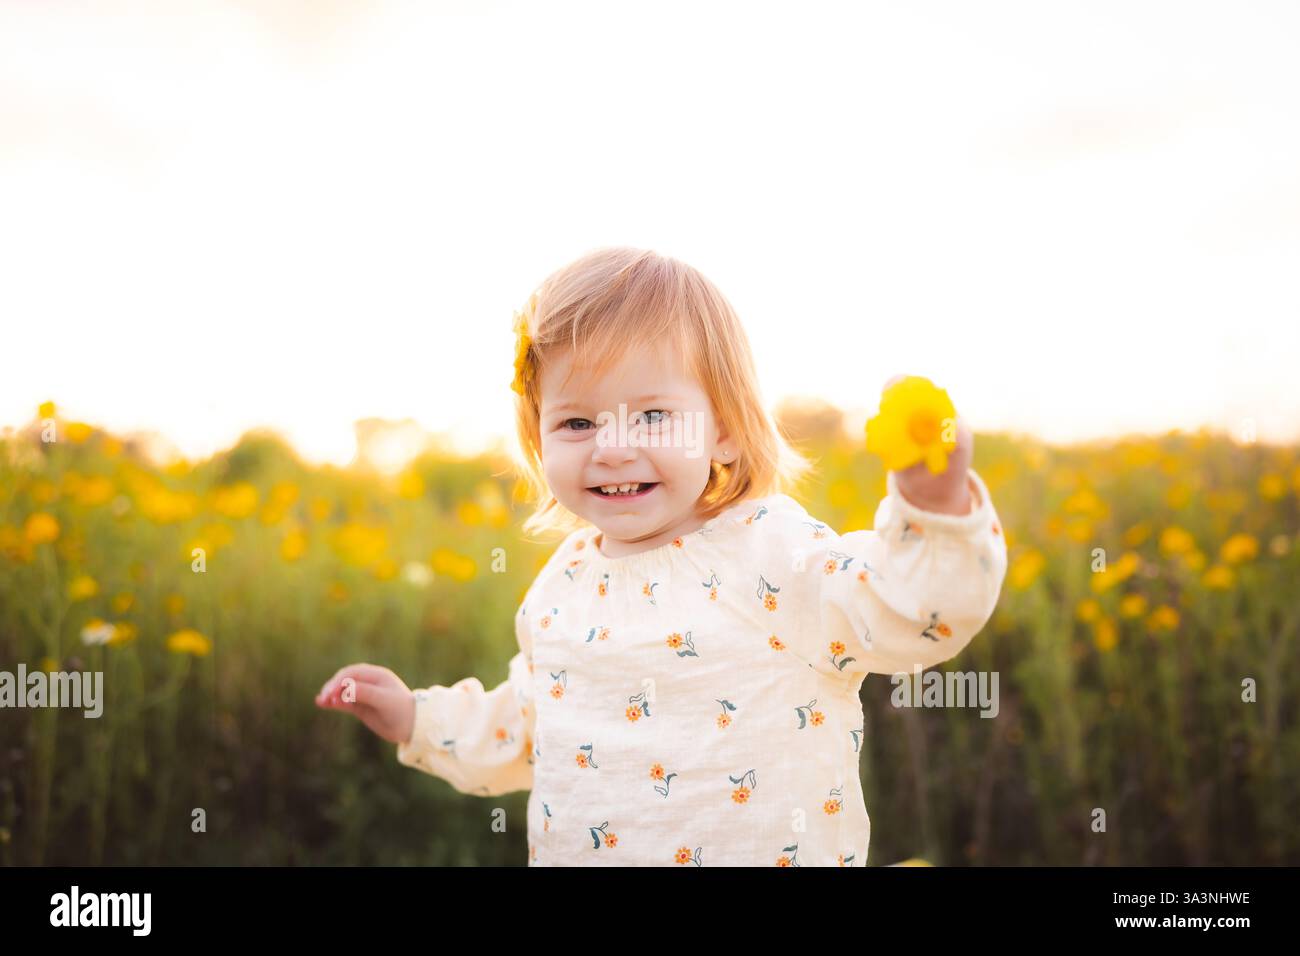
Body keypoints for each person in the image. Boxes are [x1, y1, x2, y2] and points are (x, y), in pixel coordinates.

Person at [316, 246, 1007, 866]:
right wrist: (418, 718)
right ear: (538, 440)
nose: (612, 445)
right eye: (577, 421)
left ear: (726, 432)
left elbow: (907, 613)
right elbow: (532, 726)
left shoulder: (768, 554)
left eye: (653, 415)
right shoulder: (564, 586)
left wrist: (935, 509)